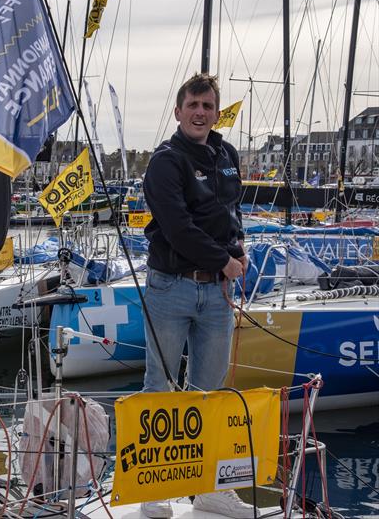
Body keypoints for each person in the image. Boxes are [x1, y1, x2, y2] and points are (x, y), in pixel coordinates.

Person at [139, 73, 252, 519]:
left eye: (208, 105)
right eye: (193, 105)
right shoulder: (165, 162)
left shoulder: (226, 154)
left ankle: (209, 490)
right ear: (179, 110)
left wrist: (238, 249)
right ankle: (154, 487)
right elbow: (177, 226)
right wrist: (224, 260)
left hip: (217, 293)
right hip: (171, 286)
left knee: (212, 393)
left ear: (215, 110)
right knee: (160, 389)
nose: (200, 112)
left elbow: (231, 212)